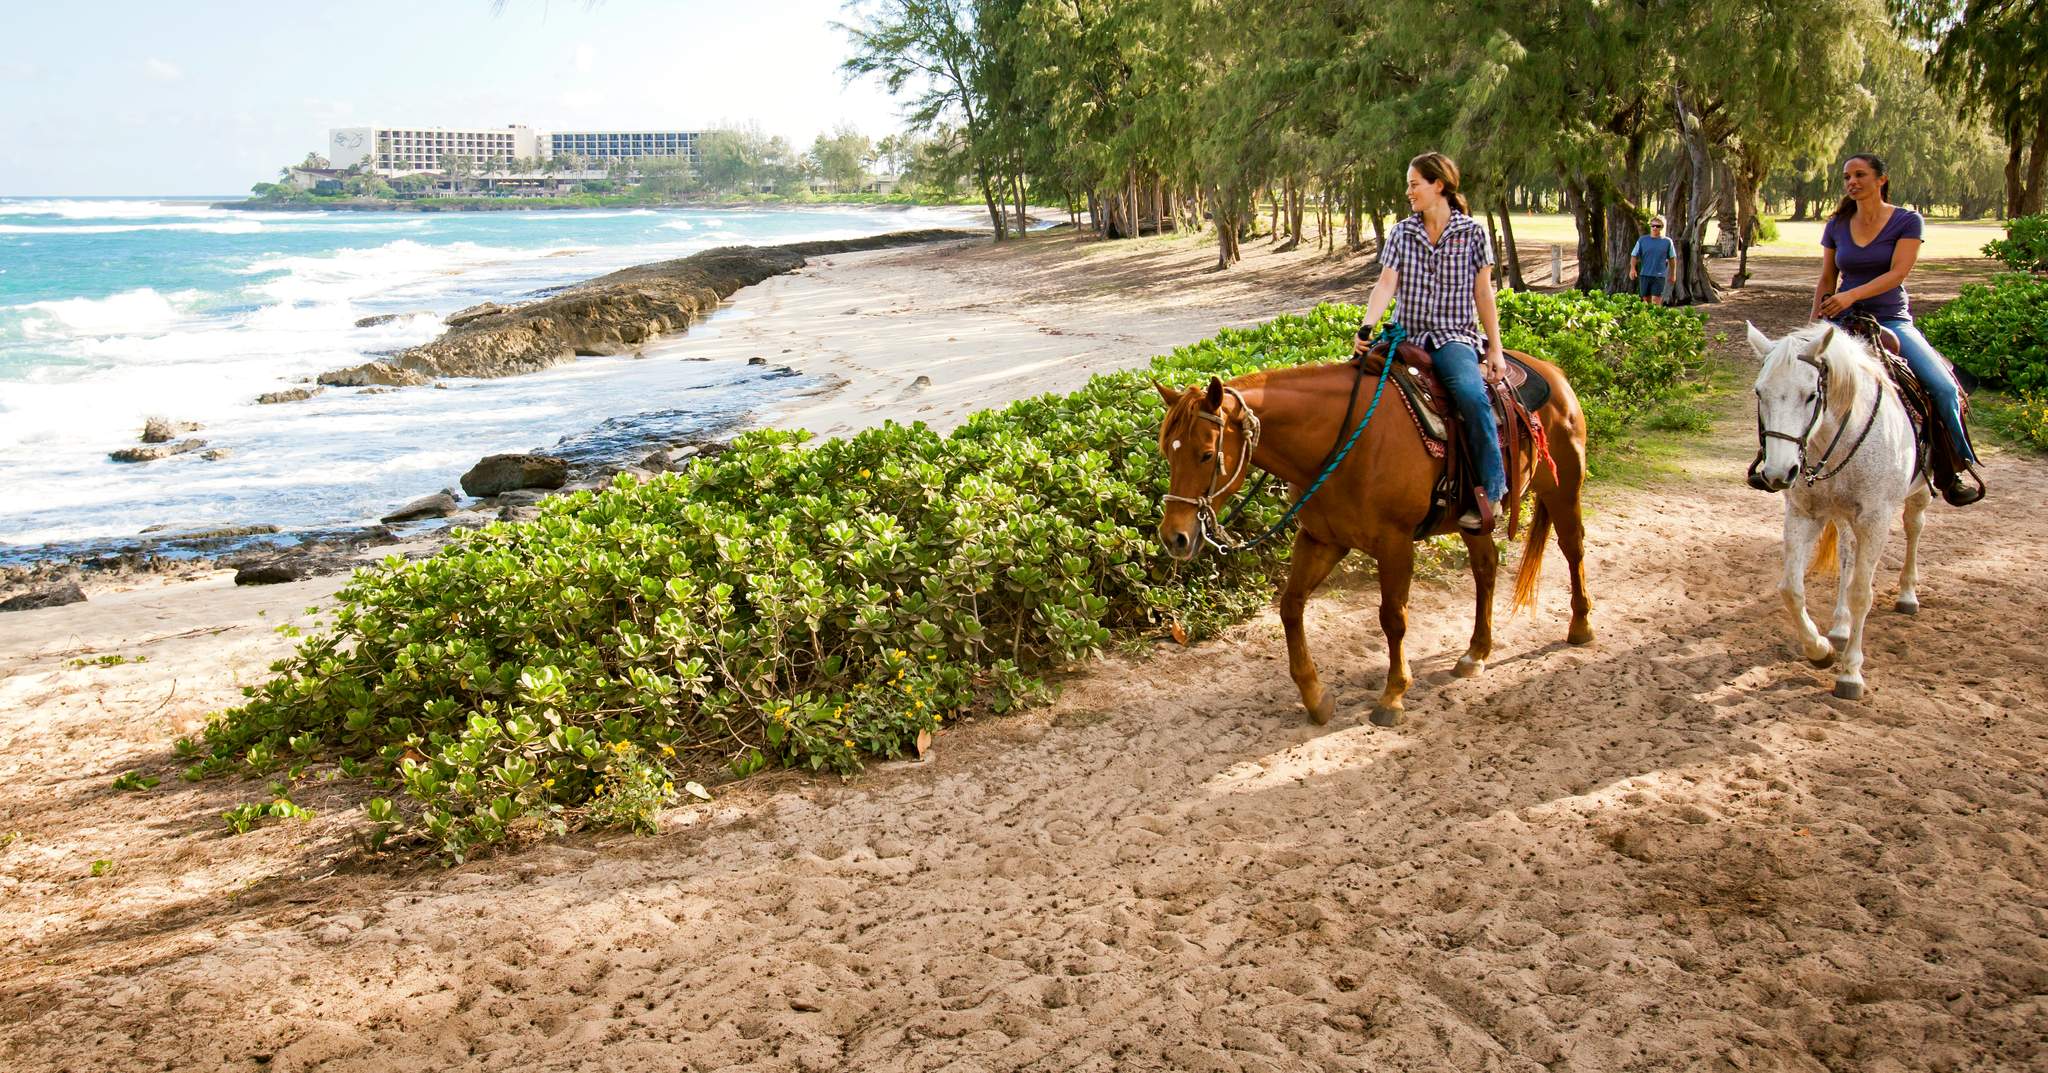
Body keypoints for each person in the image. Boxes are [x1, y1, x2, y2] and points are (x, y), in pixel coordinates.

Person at [1814, 152, 1983, 505]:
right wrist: (1816, 321)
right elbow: (1827, 277)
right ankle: (1778, 461)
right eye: (1847, 177)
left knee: (1943, 387)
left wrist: (1851, 296)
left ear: (1881, 179)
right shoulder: (1836, 225)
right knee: (1794, 379)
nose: (1852, 183)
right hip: (1841, 321)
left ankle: (1953, 469)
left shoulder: (1907, 221)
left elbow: (1898, 274)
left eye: (1860, 175)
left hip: (1890, 319)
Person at [1352, 152, 1507, 530]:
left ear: (1439, 185)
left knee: (1470, 396)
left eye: (1414, 184)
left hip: (1453, 337)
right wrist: (1367, 327)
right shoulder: (1403, 232)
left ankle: (1493, 489)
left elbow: (1483, 294)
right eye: (1409, 184)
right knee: (1355, 380)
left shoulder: (1473, 233)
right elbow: (1387, 282)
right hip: (1406, 333)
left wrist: (1495, 349)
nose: (1408, 192)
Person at [1630, 217, 1674, 305]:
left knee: (1656, 301)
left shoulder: (1667, 242)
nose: (1654, 228)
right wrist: (1632, 269)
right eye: (1653, 225)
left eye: (1657, 226)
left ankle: (1657, 317)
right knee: (1646, 300)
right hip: (1645, 275)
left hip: (1659, 276)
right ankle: (1648, 318)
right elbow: (1634, 255)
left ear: (1662, 227)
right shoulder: (1642, 240)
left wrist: (1673, 274)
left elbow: (1672, 259)